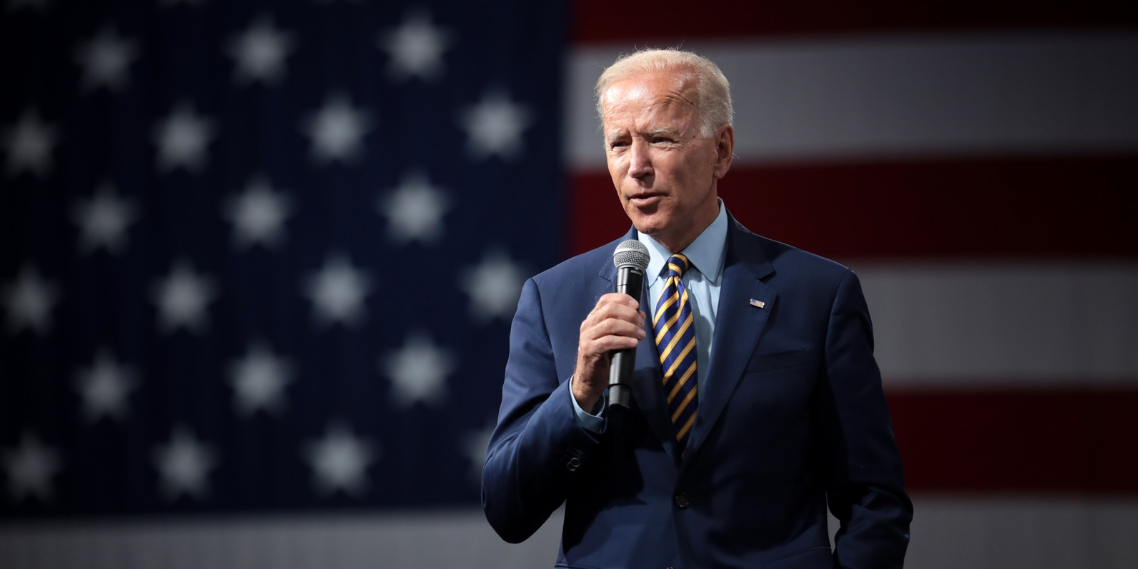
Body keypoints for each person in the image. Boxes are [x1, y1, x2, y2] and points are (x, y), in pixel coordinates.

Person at [482, 48, 912, 569]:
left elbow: (874, 499)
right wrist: (579, 396)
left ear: (721, 150)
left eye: (660, 139)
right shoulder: (554, 297)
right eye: (619, 144)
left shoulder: (819, 293)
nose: (636, 167)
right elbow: (508, 510)